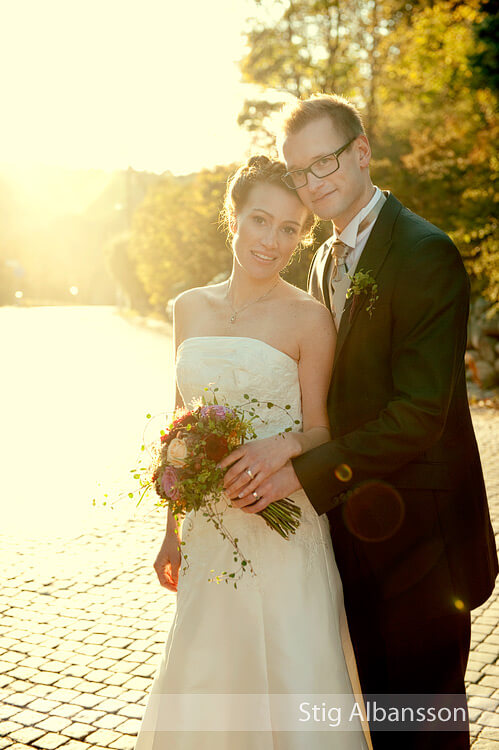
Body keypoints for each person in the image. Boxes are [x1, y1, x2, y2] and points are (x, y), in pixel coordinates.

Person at [222, 95, 498, 749]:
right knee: (382, 717)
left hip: (421, 547)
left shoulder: (424, 252)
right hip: (352, 533)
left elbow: (416, 417)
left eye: (325, 163)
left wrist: (298, 472)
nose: (313, 184)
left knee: (426, 725)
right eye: (299, 173)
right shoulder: (321, 259)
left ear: (362, 151)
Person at [133, 155, 372, 750]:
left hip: (284, 529)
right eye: (260, 221)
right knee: (210, 677)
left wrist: (279, 450)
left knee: (294, 682)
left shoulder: (310, 318)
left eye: (289, 228)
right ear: (233, 217)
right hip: (212, 535)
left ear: (302, 235)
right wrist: (173, 531)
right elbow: (181, 430)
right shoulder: (189, 306)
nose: (272, 241)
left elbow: (322, 431)